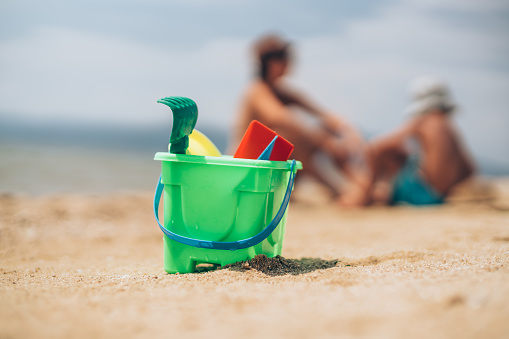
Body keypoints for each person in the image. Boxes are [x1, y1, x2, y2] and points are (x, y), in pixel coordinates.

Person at [230, 33, 364, 197]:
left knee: (321, 131)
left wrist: (348, 131)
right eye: (286, 59)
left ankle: (359, 183)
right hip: (248, 166)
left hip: (267, 165)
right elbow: (281, 118)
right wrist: (325, 141)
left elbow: (321, 112)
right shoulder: (257, 90)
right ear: (272, 63)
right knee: (286, 136)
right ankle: (339, 190)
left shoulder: (279, 91)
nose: (291, 64)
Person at [339, 76, 476, 207]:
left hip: (425, 195)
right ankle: (374, 192)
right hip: (440, 196)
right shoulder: (449, 127)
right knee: (403, 155)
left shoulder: (424, 120)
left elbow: (374, 148)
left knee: (394, 154)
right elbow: (469, 169)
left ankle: (365, 194)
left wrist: (365, 189)